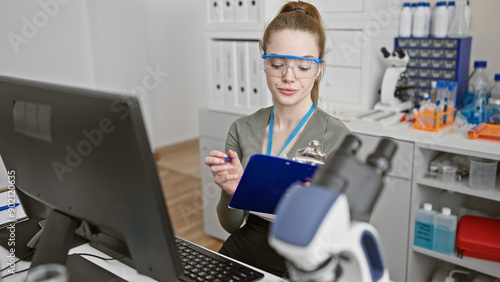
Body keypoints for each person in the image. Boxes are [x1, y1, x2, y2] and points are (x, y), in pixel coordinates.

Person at [204, 0, 351, 277]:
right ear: (265, 63)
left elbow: (348, 232)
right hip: (247, 244)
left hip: (305, 258)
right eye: (277, 63)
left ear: (318, 69)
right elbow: (231, 225)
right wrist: (231, 192)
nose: (288, 77)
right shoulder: (242, 129)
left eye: (303, 67)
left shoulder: (339, 138)